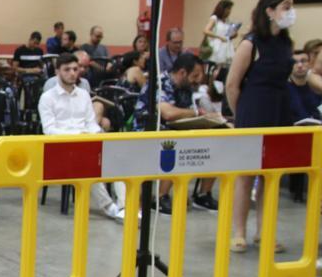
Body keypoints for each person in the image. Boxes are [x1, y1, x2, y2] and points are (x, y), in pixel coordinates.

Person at [227, 0, 296, 253]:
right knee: (246, 176)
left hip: (280, 112)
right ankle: (239, 232)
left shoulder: (286, 44)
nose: (290, 11)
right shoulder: (250, 43)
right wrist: (241, 115)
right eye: (285, 6)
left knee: (271, 176)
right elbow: (233, 85)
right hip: (253, 111)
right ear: (269, 10)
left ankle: (264, 232)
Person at [39, 54, 126, 222]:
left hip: (86, 143)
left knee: (117, 158)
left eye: (75, 69)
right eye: (67, 70)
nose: (72, 73)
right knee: (87, 164)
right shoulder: (47, 98)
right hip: (61, 147)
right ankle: (109, 207)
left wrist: (97, 133)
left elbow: (90, 124)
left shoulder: (84, 95)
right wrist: (78, 136)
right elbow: (49, 130)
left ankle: (124, 207)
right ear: (57, 72)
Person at [134, 54, 222, 213]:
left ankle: (203, 194)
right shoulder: (160, 82)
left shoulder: (186, 88)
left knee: (215, 136)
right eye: (195, 75)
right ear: (182, 72)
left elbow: (184, 114)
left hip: (176, 128)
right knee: (175, 140)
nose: (197, 80)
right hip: (148, 131)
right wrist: (197, 113)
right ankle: (161, 197)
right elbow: (167, 113)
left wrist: (205, 120)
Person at [202, 0, 239, 69]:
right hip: (216, 48)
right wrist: (219, 37)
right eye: (228, 9)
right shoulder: (214, 18)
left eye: (230, 9)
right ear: (222, 9)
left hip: (227, 47)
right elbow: (206, 30)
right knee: (214, 68)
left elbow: (229, 35)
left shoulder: (228, 21)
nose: (229, 11)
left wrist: (234, 34)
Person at [288, 49, 322, 121]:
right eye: (295, 62)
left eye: (303, 61)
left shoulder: (316, 88)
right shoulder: (284, 90)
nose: (300, 65)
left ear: (309, 64)